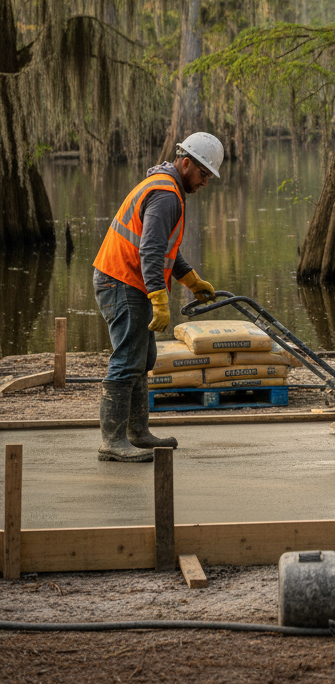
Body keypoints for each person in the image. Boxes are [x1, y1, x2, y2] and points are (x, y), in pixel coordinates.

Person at [92, 132, 224, 462]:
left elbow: (165, 249)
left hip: (127, 280)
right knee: (127, 360)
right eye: (203, 173)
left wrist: (191, 280)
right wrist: (158, 297)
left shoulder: (168, 189)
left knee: (144, 358)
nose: (205, 182)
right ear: (185, 162)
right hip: (122, 281)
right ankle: (112, 441)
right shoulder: (166, 194)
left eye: (209, 176)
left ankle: (137, 432)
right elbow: (149, 249)